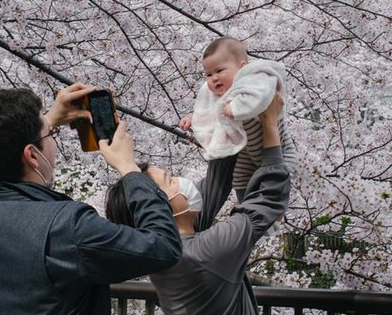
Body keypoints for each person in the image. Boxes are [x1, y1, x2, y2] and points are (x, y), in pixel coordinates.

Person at [0, 84, 182, 315]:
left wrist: (46, 122)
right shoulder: (68, 226)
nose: (54, 140)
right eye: (50, 134)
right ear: (31, 155)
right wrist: (129, 168)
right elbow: (164, 246)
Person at [108, 93, 291, 314]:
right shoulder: (202, 253)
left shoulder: (163, 250)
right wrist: (270, 122)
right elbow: (269, 197)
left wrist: (215, 120)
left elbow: (218, 181)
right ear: (160, 208)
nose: (181, 181)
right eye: (170, 180)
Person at [180, 36, 297, 202]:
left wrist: (236, 107)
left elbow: (261, 96)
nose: (213, 78)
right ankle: (245, 203)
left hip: (279, 148)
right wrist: (193, 117)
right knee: (239, 177)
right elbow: (210, 111)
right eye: (209, 74)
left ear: (242, 67)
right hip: (248, 150)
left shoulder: (254, 79)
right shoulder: (219, 94)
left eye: (220, 71)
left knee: (280, 175)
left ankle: (278, 205)